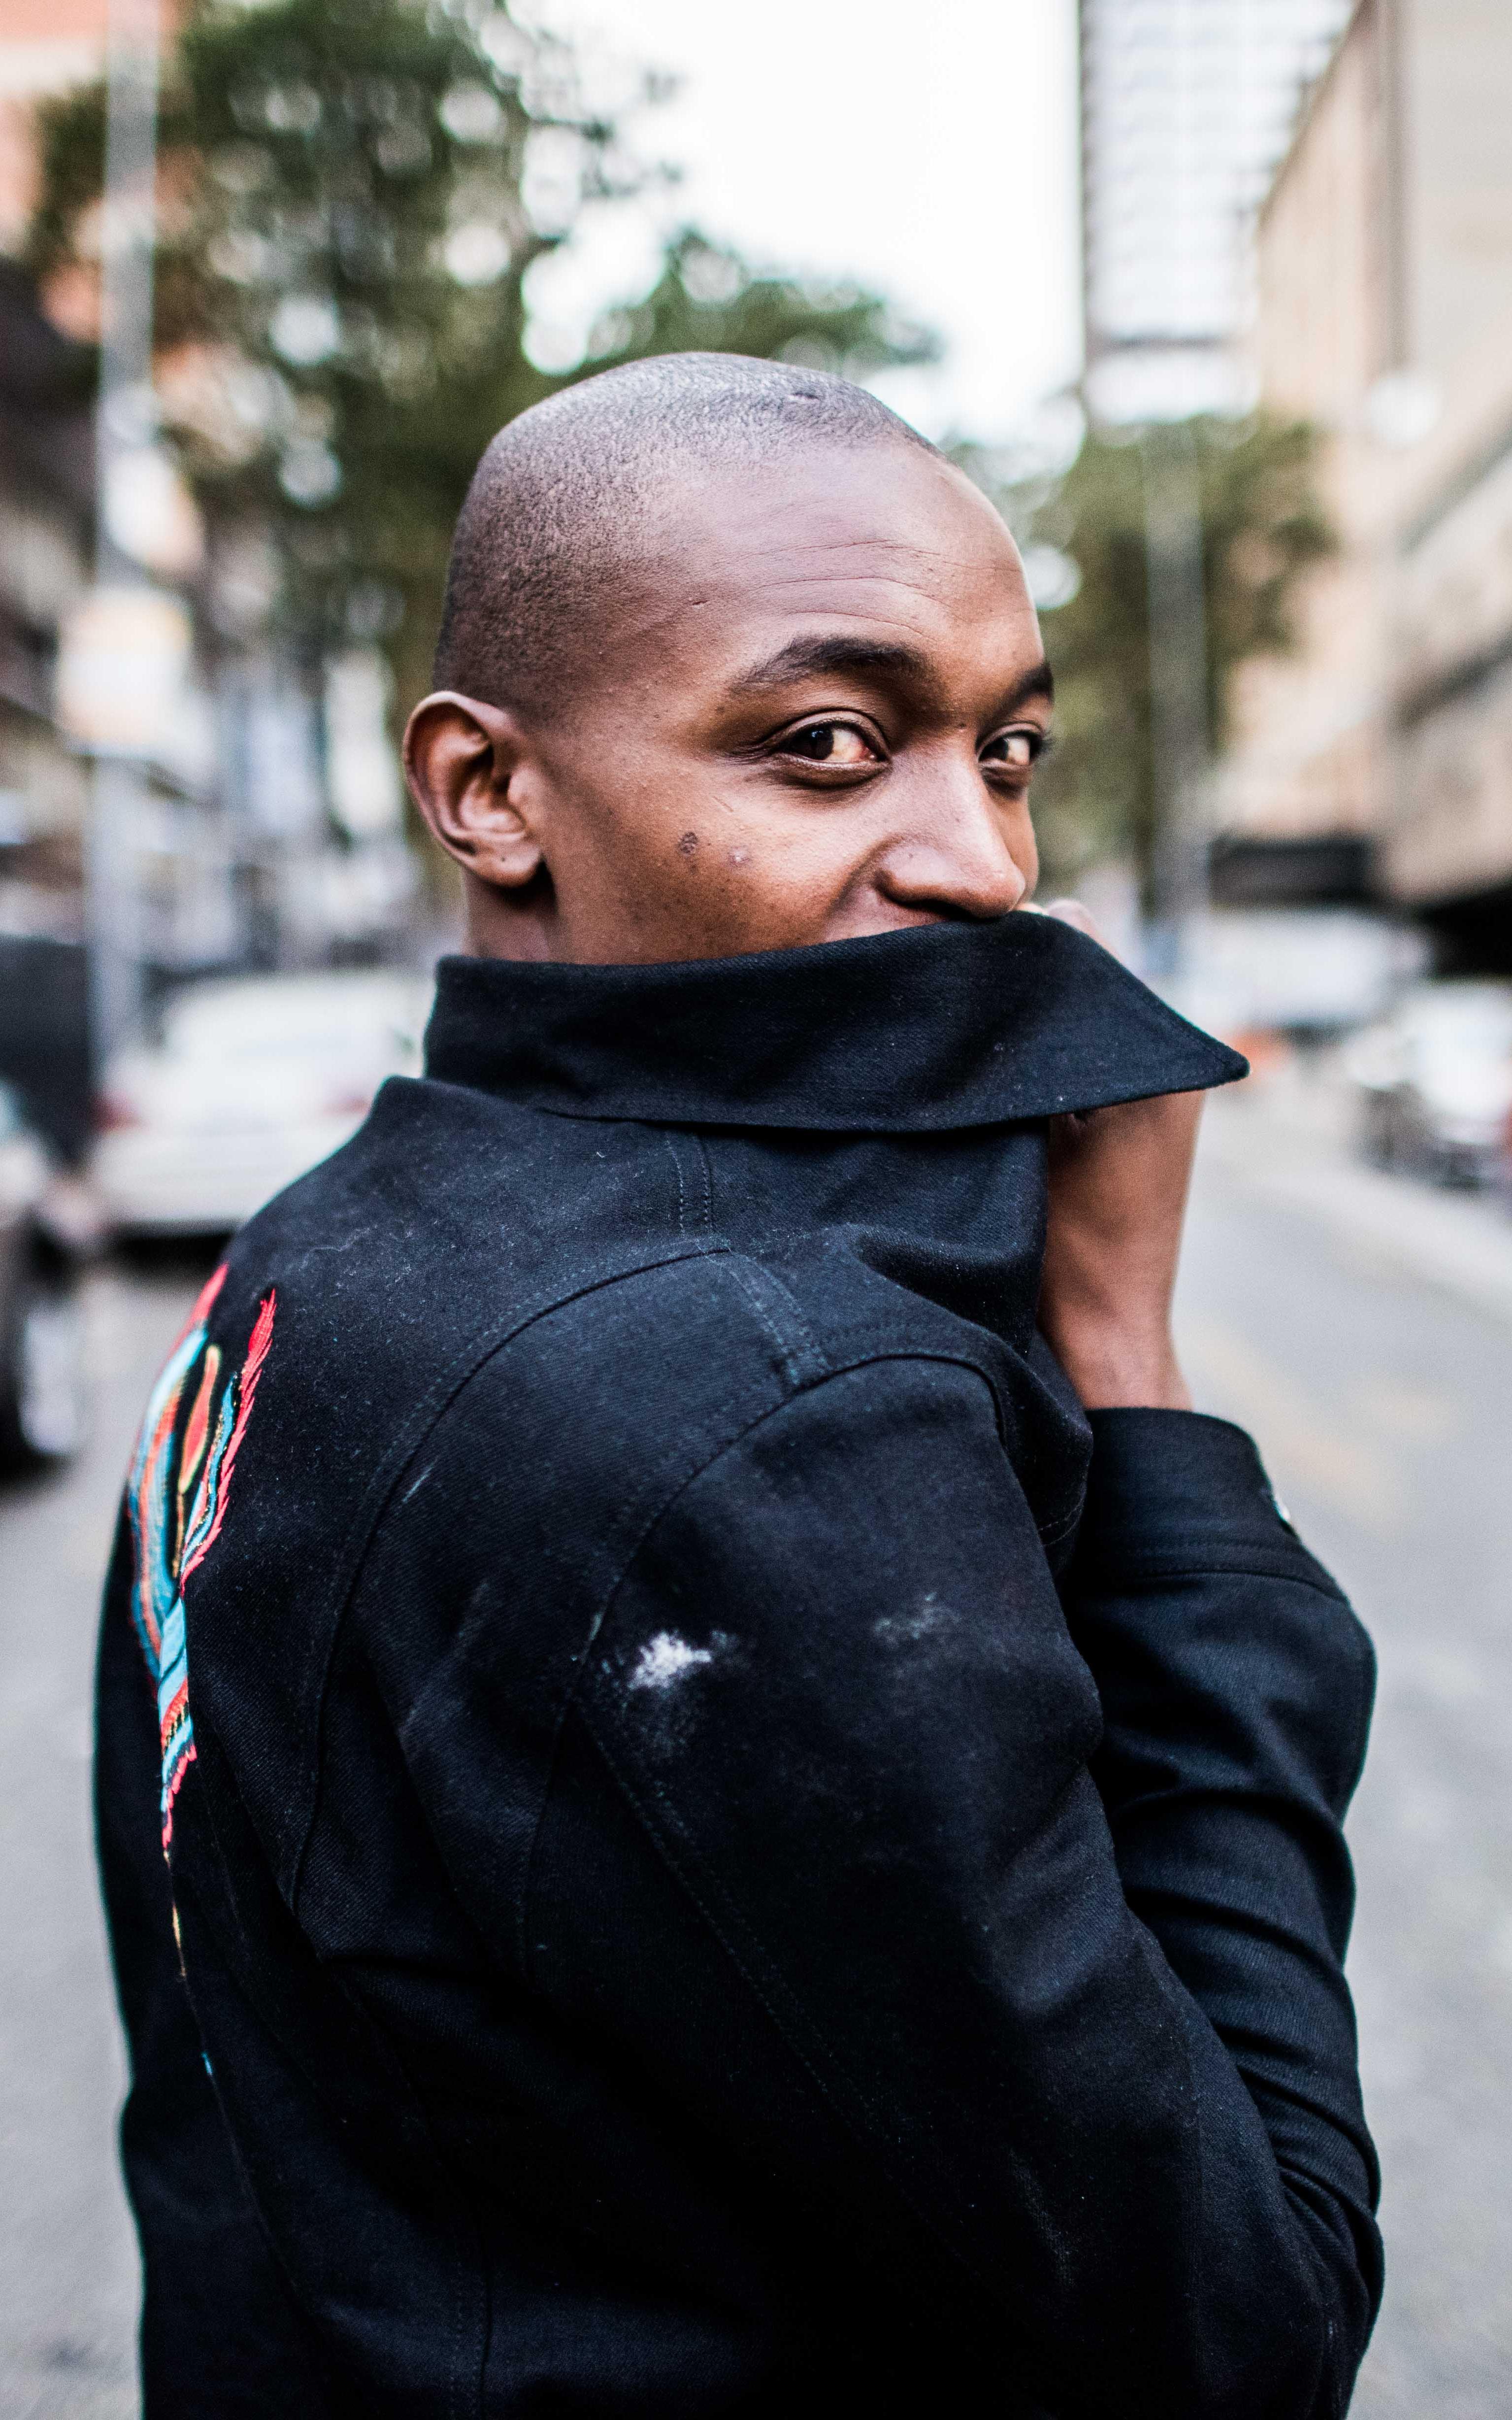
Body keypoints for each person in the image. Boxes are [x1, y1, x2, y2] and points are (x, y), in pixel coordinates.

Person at [97, 355, 1381, 2418]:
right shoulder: (763, 1416)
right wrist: (1128, 1371)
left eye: (1010, 746)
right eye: (827, 743)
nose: (979, 858)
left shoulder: (317, 1246)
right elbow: (1239, 2319)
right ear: (488, 791)